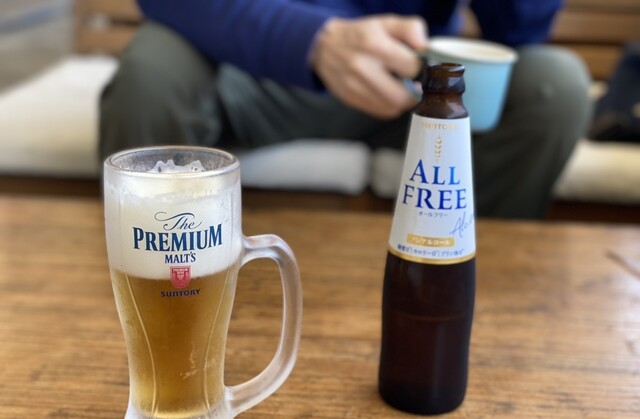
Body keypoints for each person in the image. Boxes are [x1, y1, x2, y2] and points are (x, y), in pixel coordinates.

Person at [99, 0, 591, 219]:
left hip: (412, 82)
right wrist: (312, 41)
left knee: (554, 86)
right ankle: (158, 297)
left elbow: (520, 32)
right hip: (245, 68)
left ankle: (471, 291)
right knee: (151, 72)